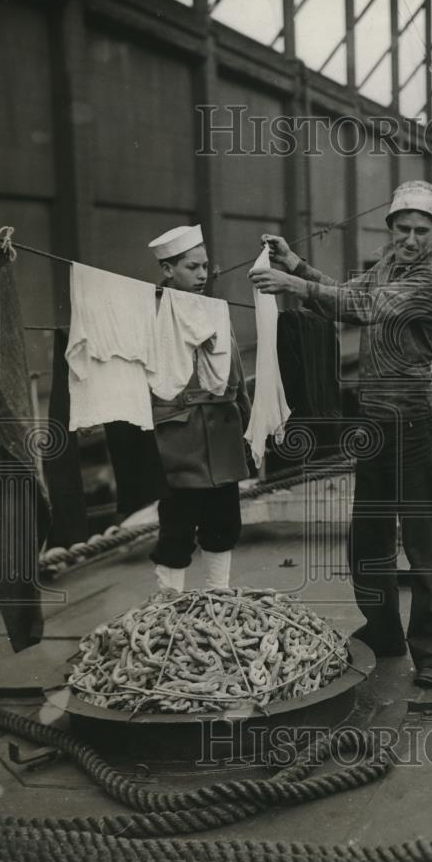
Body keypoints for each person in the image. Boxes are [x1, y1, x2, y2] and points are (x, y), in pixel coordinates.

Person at [249, 180, 432, 687]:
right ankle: (383, 631)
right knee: (367, 534)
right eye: (404, 228)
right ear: (390, 228)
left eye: (423, 231)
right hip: (373, 419)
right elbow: (351, 295)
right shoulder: (388, 263)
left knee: (420, 536)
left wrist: (295, 287)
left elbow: (363, 309)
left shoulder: (431, 280)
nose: (412, 239)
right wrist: (296, 265)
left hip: (412, 420)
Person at [146, 224, 252, 592]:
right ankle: (167, 609)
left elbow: (234, 367)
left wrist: (249, 428)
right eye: (193, 267)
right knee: (176, 528)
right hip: (178, 440)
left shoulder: (215, 311)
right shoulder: (152, 313)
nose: (203, 274)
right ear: (168, 270)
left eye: (206, 266)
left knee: (223, 524)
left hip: (222, 435)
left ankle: (218, 599)